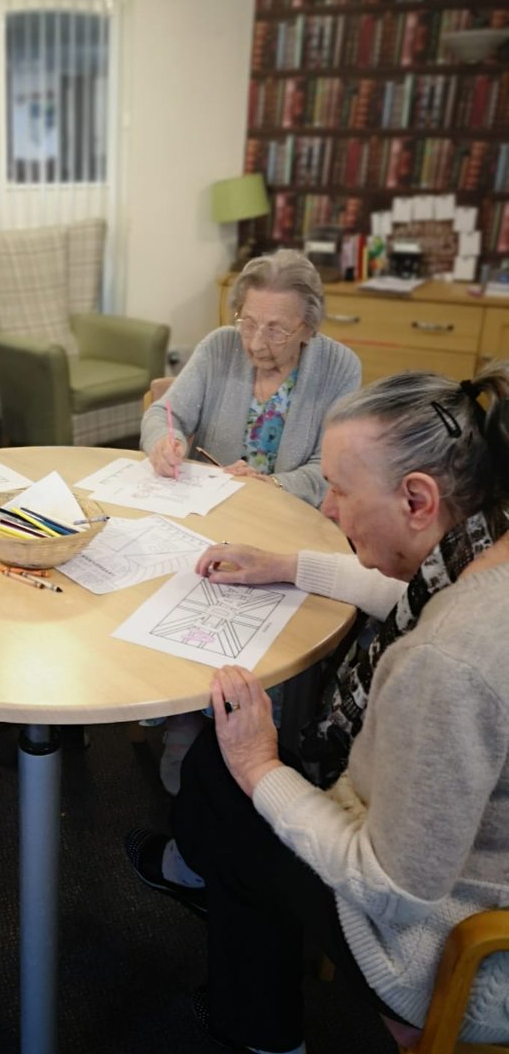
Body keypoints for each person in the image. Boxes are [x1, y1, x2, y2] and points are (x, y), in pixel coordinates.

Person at [126, 367, 509, 1054]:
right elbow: (405, 589)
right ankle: (204, 874)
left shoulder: (449, 664)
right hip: (472, 867)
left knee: (228, 773)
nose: (329, 510)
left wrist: (260, 766)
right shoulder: (483, 544)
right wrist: (286, 565)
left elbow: (390, 892)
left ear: (417, 499)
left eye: (339, 489)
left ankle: (262, 1029)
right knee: (227, 780)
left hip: (446, 948)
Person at [140, 249, 362, 793]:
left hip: (291, 528)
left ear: (308, 327)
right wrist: (164, 442)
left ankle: (256, 729)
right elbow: (164, 414)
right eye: (248, 322)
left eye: (277, 330)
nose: (257, 343)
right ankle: (186, 715)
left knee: (265, 627)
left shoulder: (340, 367)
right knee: (172, 602)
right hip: (209, 517)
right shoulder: (218, 347)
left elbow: (332, 469)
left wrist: (277, 485)